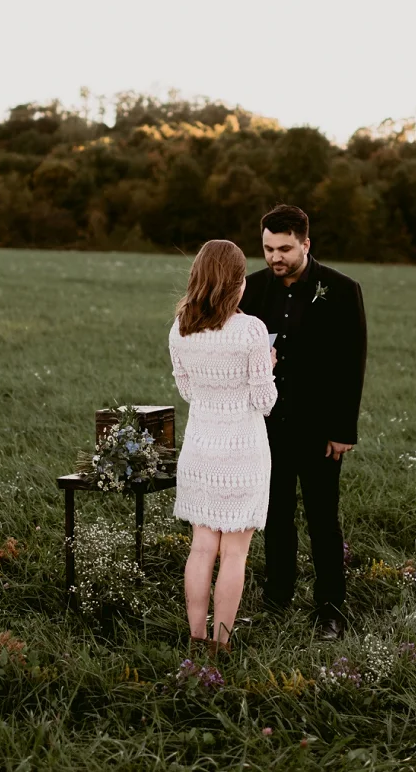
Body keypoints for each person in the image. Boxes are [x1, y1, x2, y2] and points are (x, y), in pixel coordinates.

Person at [240, 205, 367, 641]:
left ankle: (330, 609)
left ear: (306, 244)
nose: (275, 257)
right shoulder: (251, 290)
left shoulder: (342, 289)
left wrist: (343, 430)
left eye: (284, 249)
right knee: (275, 515)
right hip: (266, 425)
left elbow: (351, 363)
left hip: (319, 429)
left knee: (322, 519)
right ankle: (277, 598)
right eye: (268, 248)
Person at [168, 239, 278, 655]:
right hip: (242, 453)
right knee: (234, 554)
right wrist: (268, 366)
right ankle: (221, 644)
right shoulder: (251, 330)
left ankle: (196, 637)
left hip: (199, 451)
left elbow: (187, 391)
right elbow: (265, 401)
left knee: (201, 548)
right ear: (237, 282)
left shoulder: (181, 327)